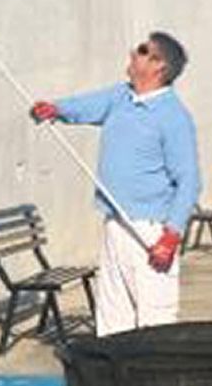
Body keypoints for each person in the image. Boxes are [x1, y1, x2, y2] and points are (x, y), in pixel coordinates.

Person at [30, 31, 201, 336]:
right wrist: (56, 109)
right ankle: (115, 378)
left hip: (150, 229)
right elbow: (85, 105)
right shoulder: (121, 97)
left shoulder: (173, 117)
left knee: (155, 317)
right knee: (112, 311)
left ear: (158, 65)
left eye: (142, 50)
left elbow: (189, 180)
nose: (133, 53)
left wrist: (172, 235)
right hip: (116, 222)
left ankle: (153, 379)